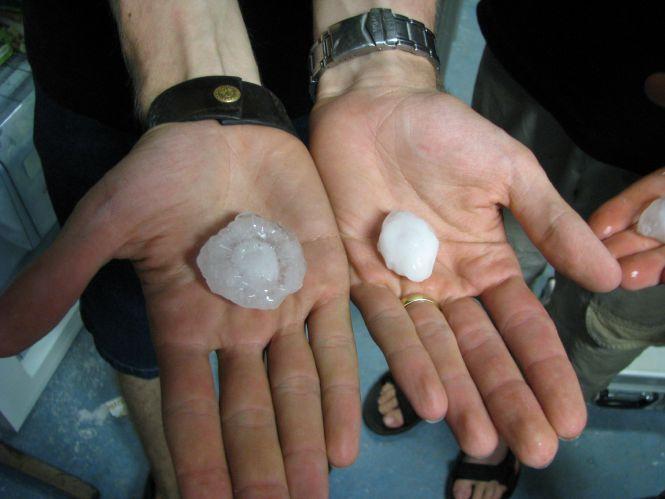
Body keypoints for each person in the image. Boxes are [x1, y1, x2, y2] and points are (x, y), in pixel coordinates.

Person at [0, 0, 630, 497]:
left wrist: (380, 72)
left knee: (255, 343)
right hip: (107, 66)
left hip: (318, 83)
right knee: (146, 324)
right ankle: (177, 479)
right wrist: (190, 60)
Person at [364, 2, 665, 498]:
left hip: (653, 172)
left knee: (598, 323)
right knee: (487, 254)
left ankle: (513, 418)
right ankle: (447, 367)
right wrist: (378, 73)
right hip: (544, 57)